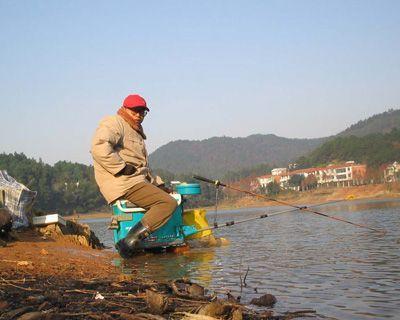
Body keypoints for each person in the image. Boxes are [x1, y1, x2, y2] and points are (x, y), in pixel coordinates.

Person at [91, 94, 177, 258]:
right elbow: (98, 147)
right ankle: (129, 242)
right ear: (124, 109)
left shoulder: (135, 131)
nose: (139, 115)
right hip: (124, 183)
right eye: (135, 111)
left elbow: (143, 167)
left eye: (142, 112)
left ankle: (145, 246)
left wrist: (159, 185)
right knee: (168, 204)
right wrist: (121, 168)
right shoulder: (115, 122)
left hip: (135, 181)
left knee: (170, 197)